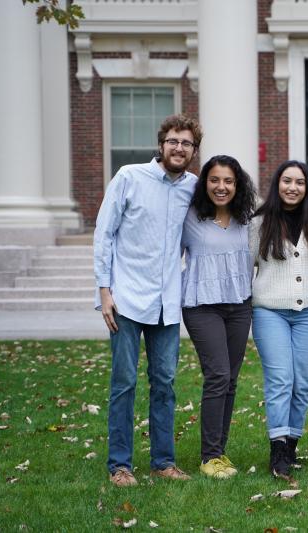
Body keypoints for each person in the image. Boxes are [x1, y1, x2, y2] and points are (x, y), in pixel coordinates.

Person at [94, 114, 201, 487]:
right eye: (173, 141)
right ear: (161, 144)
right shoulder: (129, 177)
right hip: (125, 300)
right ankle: (119, 465)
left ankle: (162, 462)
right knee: (124, 382)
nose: (179, 148)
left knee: (165, 384)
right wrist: (104, 292)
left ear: (193, 150)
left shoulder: (194, 188)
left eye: (186, 143)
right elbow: (104, 234)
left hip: (166, 303)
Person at [249, 160, 308, 479]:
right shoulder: (259, 222)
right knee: (281, 379)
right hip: (269, 311)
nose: (292, 187)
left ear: (307, 188)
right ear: (277, 184)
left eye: (299, 182)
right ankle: (277, 450)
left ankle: (292, 445)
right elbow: (244, 265)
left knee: (303, 382)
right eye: (286, 181)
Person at [181, 154, 257, 479]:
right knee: (218, 375)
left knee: (231, 380)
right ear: (205, 183)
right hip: (202, 305)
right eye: (214, 180)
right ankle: (209, 456)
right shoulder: (189, 218)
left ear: (237, 185)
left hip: (239, 304)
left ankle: (220, 453)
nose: (221, 187)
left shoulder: (246, 220)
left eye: (228, 181)